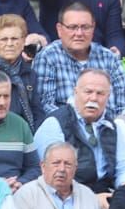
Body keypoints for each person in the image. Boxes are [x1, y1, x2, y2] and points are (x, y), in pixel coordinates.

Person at [32, 4, 125, 119]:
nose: (79, 33)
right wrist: (80, 125)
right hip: (66, 132)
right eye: (72, 27)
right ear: (59, 29)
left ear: (93, 28)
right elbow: (45, 107)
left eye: (85, 27)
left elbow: (124, 106)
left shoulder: (110, 59)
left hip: (109, 130)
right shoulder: (47, 57)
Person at [32, 68, 117, 199]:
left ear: (108, 96)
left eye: (100, 93)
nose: (93, 98)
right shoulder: (55, 123)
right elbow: (54, 177)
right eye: (88, 92)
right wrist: (92, 199)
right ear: (75, 92)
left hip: (105, 191)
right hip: (67, 196)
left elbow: (124, 166)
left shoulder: (111, 125)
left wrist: (124, 192)